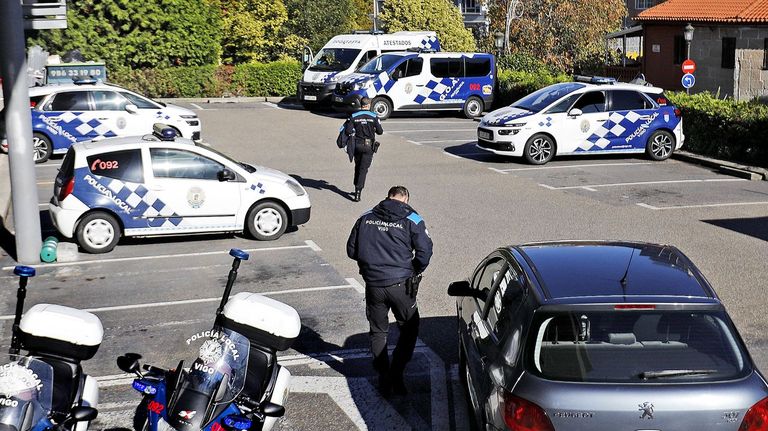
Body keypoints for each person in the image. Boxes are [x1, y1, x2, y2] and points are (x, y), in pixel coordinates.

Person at [346, 186, 433, 396]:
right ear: (406, 199)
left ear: (388, 197)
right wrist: (414, 269)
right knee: (409, 328)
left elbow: (351, 250)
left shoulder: (366, 217)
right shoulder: (412, 219)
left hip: (373, 285)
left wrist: (372, 264)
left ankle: (383, 375)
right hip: (401, 285)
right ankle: (397, 372)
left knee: (378, 331)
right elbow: (425, 251)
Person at [344, 97, 383, 202]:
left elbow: (348, 131)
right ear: (369, 105)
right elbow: (380, 131)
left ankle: (356, 186)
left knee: (358, 166)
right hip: (368, 146)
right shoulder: (374, 116)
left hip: (357, 145)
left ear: (361, 104)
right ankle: (358, 192)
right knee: (363, 169)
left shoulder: (354, 116)